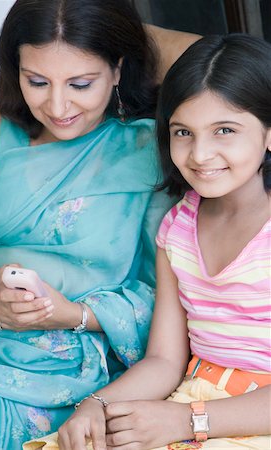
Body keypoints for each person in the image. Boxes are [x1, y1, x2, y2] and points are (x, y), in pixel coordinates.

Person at [0, 1, 202, 449]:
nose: (57, 106)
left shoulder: (151, 149)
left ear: (117, 70)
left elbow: (166, 300)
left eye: (80, 84)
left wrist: (74, 316)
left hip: (64, 366)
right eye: (36, 81)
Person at [42, 33, 271, 450]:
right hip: (191, 396)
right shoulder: (178, 225)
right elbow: (166, 361)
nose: (200, 154)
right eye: (183, 132)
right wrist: (96, 405)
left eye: (224, 130)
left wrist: (188, 421)